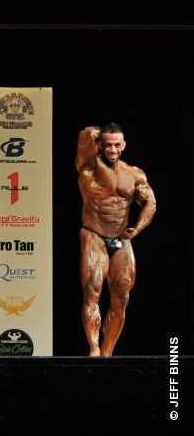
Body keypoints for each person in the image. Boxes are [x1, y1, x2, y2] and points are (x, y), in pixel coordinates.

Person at [76, 124, 155, 356]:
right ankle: (94, 348)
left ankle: (108, 352)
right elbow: (86, 134)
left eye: (116, 144)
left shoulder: (135, 174)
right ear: (100, 144)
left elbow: (150, 202)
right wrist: (98, 134)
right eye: (107, 144)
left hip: (121, 238)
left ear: (124, 145)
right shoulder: (88, 167)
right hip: (94, 234)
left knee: (121, 297)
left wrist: (137, 229)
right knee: (92, 290)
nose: (112, 149)